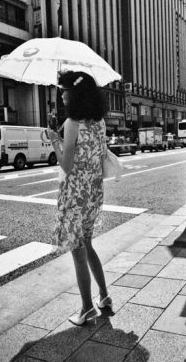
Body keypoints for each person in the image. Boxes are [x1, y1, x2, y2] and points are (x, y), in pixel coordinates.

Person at [46, 71, 111, 326]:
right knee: (88, 244)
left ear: (76, 95)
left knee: (78, 250)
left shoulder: (73, 123)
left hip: (75, 194)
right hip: (94, 192)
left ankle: (86, 308)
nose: (62, 95)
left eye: (65, 91)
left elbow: (66, 164)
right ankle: (104, 297)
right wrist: (64, 140)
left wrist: (54, 142)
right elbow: (91, 154)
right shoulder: (99, 122)